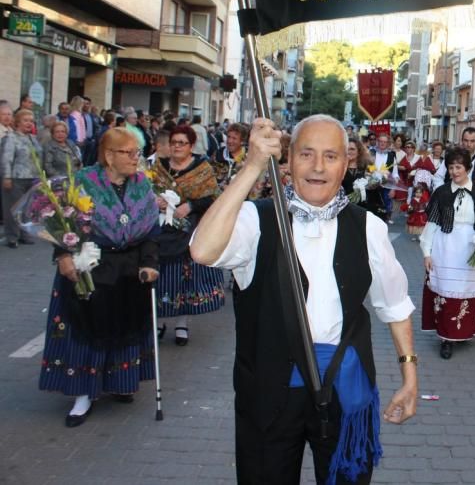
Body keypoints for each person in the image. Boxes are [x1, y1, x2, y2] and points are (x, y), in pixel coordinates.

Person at [189, 115, 418, 483]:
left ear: (346, 164)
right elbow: (202, 250)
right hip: (267, 394)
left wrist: (409, 377)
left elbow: (394, 305)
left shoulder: (368, 227)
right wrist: (250, 169)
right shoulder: (254, 218)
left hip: (345, 392)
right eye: (306, 154)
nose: (317, 167)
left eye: (330, 156)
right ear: (288, 158)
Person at [40, 128, 161, 427]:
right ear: (109, 156)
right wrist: (64, 256)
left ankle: (120, 381)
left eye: (138, 152)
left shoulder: (142, 186)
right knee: (87, 331)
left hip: (128, 269)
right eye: (129, 153)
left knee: (125, 326)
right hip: (91, 266)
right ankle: (83, 394)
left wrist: (149, 262)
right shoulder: (81, 183)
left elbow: (149, 231)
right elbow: (61, 223)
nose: (137, 159)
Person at [152, 125, 224, 345]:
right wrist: (156, 200)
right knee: (162, 276)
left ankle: (182, 323)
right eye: (174, 142)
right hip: (161, 229)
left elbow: (213, 196)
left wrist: (191, 205)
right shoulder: (159, 166)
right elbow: (147, 188)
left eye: (182, 143)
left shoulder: (202, 168)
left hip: (188, 230)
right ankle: (161, 320)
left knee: (184, 277)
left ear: (191, 146)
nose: (177, 147)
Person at [420, 148, 475, 359]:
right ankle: (446, 337)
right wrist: (426, 251)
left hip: (471, 245)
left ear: (468, 168)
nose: (454, 171)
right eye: (451, 167)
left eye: (458, 167)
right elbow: (432, 223)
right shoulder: (441, 192)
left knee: (465, 291)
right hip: (446, 246)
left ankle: (464, 332)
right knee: (446, 291)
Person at [2, 109, 42, 248]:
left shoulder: (33, 138)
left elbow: (38, 158)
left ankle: (25, 234)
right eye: (26, 120)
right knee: (13, 209)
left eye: (31, 121)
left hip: (32, 178)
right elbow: (6, 159)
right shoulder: (11, 138)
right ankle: (12, 237)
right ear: (18, 122)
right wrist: (6, 177)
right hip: (16, 177)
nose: (29, 123)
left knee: (27, 208)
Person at [344, 138, 384, 217]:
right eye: (346, 149)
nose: (349, 151)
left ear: (359, 151)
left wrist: (376, 183)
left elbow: (378, 177)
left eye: (352, 149)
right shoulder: (339, 167)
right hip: (344, 206)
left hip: (365, 207)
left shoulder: (369, 165)